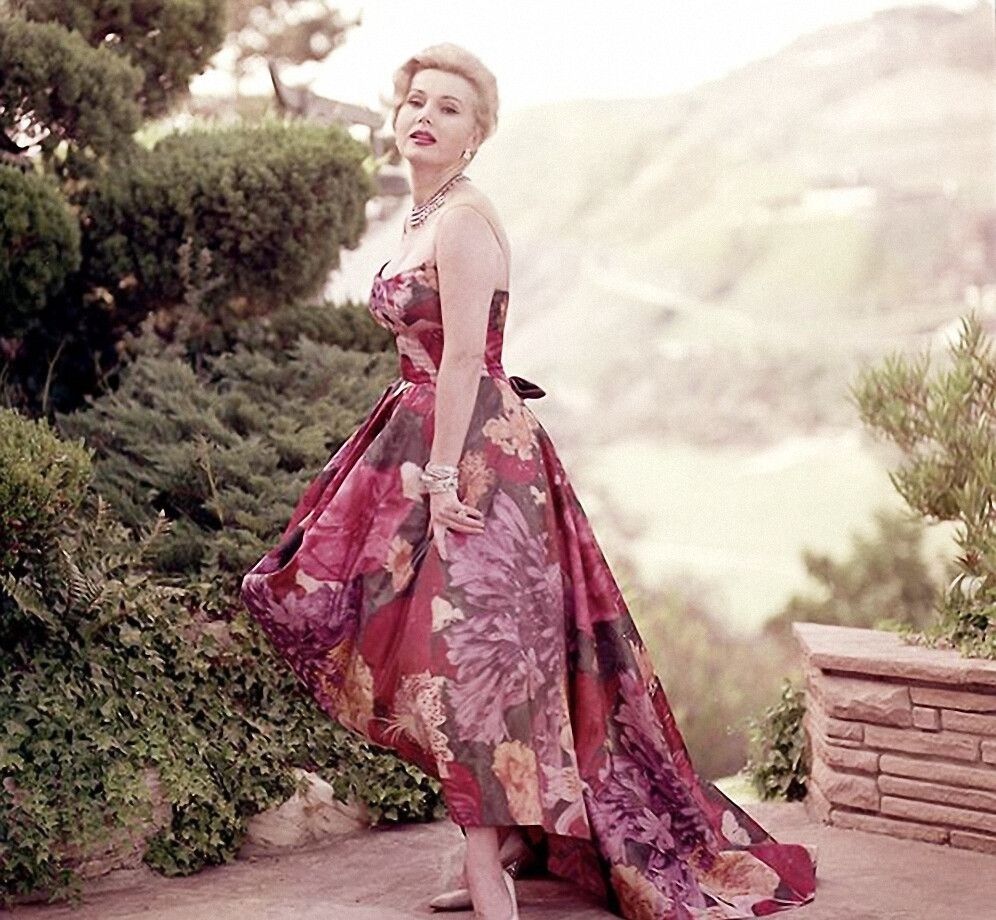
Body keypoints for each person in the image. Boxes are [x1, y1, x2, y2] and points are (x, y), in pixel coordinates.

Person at [240, 42, 817, 920]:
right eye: (416, 101)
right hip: (420, 434)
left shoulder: (465, 219)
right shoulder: (423, 214)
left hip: (475, 456)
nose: (425, 116)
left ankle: (485, 861)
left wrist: (442, 480)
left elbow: (465, 358)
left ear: (475, 136)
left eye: (450, 108)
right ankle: (506, 842)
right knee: (396, 633)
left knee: (470, 660)